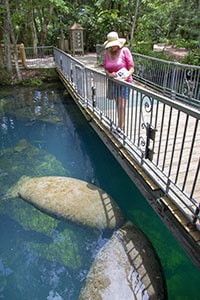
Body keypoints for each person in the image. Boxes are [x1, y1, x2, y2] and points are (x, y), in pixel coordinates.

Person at [104, 31, 134, 132]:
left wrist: (126, 76)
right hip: (114, 82)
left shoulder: (124, 51)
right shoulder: (106, 54)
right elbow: (106, 69)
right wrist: (110, 74)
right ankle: (120, 124)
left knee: (122, 105)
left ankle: (121, 128)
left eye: (114, 45)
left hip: (125, 82)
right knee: (118, 105)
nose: (113, 48)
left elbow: (131, 68)